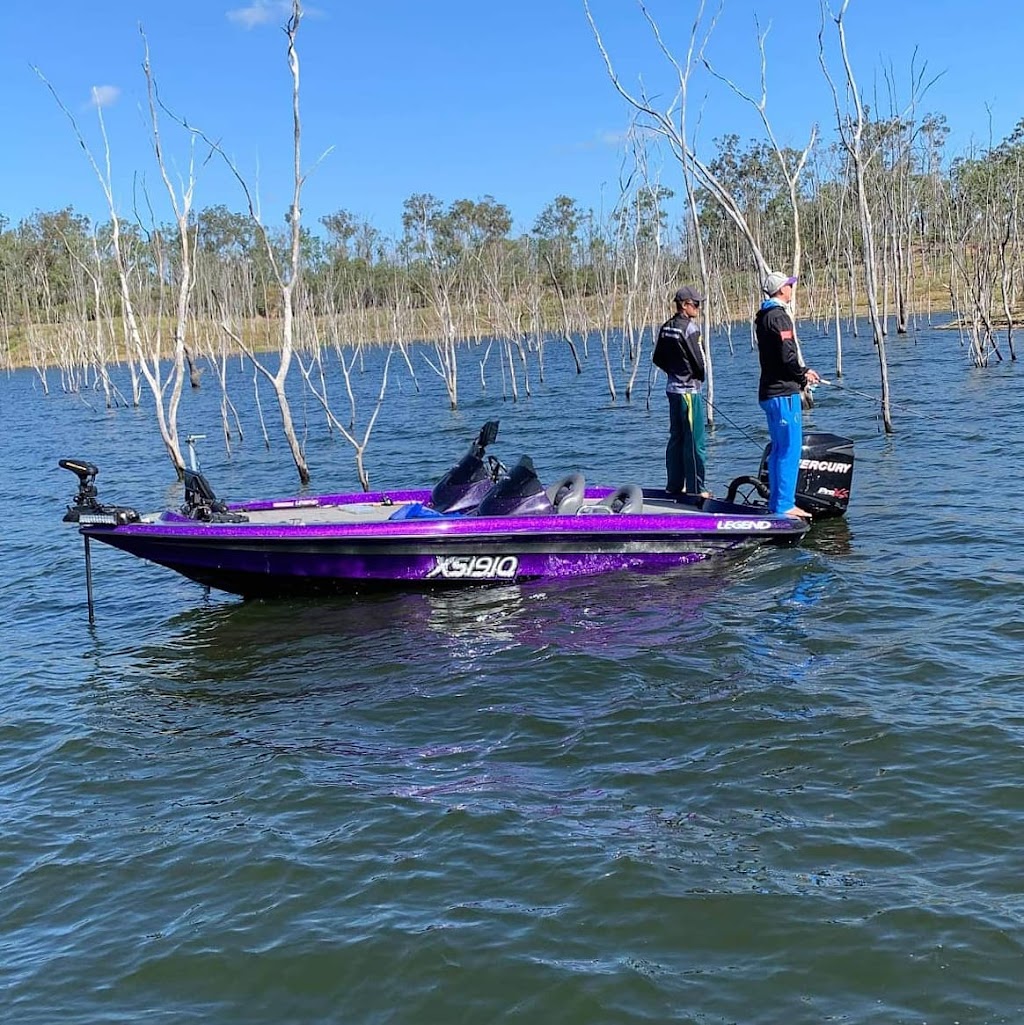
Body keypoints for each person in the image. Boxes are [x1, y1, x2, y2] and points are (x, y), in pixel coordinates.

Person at [754, 271, 821, 519]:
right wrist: (803, 375)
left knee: (780, 448)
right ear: (781, 290)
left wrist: (801, 372)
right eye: (789, 286)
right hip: (782, 393)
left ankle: (777, 502)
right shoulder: (779, 317)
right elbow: (787, 355)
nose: (792, 289)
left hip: (770, 392)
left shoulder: (763, 316)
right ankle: (784, 504)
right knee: (789, 450)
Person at [652, 285, 708, 497]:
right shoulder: (690, 328)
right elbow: (698, 361)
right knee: (695, 441)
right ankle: (696, 489)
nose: (698, 308)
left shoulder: (666, 327)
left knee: (676, 437)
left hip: (672, 390)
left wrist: (674, 373)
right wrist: (695, 377)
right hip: (688, 392)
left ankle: (674, 486)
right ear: (684, 305)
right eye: (696, 304)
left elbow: (658, 358)